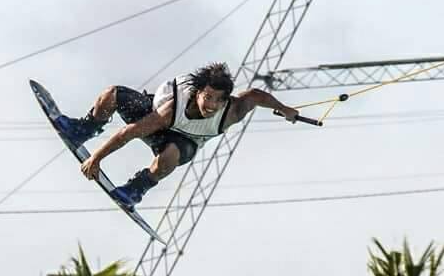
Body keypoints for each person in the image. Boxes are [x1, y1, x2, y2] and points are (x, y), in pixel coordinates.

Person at [54, 63, 299, 208]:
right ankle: (83, 129)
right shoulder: (172, 108)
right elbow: (129, 133)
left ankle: (136, 188)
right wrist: (97, 157)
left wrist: (286, 108)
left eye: (219, 100)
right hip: (159, 120)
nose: (212, 105)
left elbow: (256, 95)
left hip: (185, 142)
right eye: (208, 97)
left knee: (170, 155)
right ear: (198, 93)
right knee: (112, 94)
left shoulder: (232, 111)